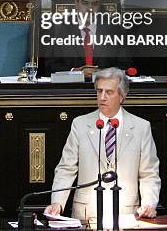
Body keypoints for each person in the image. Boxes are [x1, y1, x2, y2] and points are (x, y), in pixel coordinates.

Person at [45, 67, 160, 221]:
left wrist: (148, 203)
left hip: (125, 214)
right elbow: (66, 169)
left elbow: (149, 173)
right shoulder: (80, 124)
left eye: (109, 92)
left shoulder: (141, 127)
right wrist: (57, 203)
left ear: (122, 95)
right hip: (87, 214)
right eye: (99, 91)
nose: (102, 97)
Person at [43, 0, 133, 77]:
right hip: (70, 88)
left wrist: (101, 73)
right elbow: (49, 66)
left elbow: (126, 65)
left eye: (94, 4)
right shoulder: (59, 29)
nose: (90, 9)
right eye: (85, 3)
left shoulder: (115, 29)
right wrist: (75, 72)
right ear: (76, 3)